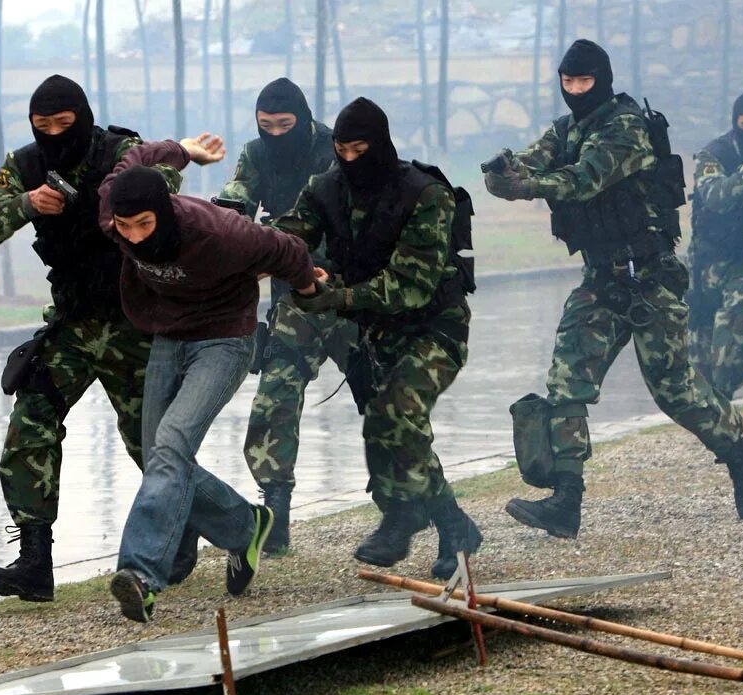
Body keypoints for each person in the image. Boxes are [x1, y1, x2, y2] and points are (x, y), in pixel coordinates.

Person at [483, 39, 743, 537]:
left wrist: (528, 185)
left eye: (584, 82)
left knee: (674, 391)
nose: (575, 91)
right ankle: (566, 501)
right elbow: (534, 161)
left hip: (650, 278)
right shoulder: (567, 129)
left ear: (603, 80)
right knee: (567, 381)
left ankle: (740, 452)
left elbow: (583, 180)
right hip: (600, 279)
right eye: (567, 83)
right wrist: (503, 175)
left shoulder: (626, 128)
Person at [0, 75, 181, 603]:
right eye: (44, 128)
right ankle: (35, 561)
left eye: (66, 126)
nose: (56, 135)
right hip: (71, 323)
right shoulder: (26, 166)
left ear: (84, 118)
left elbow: (167, 186)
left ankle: (181, 534)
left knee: (152, 442)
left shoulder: (120, 150)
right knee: (30, 423)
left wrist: (121, 194)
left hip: (133, 320)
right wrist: (26, 206)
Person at [97, 140, 318, 622]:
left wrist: (306, 286)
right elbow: (131, 158)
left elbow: (287, 248)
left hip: (224, 339)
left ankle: (139, 575)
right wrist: (182, 150)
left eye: (144, 225)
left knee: (171, 444)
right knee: (161, 455)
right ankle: (246, 526)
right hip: (168, 335)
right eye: (124, 227)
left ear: (164, 214)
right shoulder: (112, 206)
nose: (133, 237)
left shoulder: (217, 231)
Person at [271, 97, 482, 580]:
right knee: (386, 428)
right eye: (340, 149)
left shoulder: (426, 195)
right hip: (376, 333)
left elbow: (410, 286)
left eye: (359, 149)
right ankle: (451, 525)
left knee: (396, 413)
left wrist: (333, 296)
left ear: (380, 144)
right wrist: (233, 237)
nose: (348, 160)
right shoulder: (325, 189)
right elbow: (288, 236)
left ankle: (404, 518)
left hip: (434, 327)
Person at [219, 77, 357, 555]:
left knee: (387, 401)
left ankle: (419, 505)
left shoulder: (335, 147)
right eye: (266, 126)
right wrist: (225, 223)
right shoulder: (255, 154)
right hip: (291, 295)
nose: (275, 134)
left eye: (285, 125)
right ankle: (275, 516)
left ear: (303, 119)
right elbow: (238, 198)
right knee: (274, 398)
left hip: (350, 292)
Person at [687, 90, 743, 400]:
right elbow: (716, 198)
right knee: (698, 340)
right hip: (708, 256)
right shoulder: (713, 154)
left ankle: (723, 398)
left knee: (733, 326)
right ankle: (705, 404)